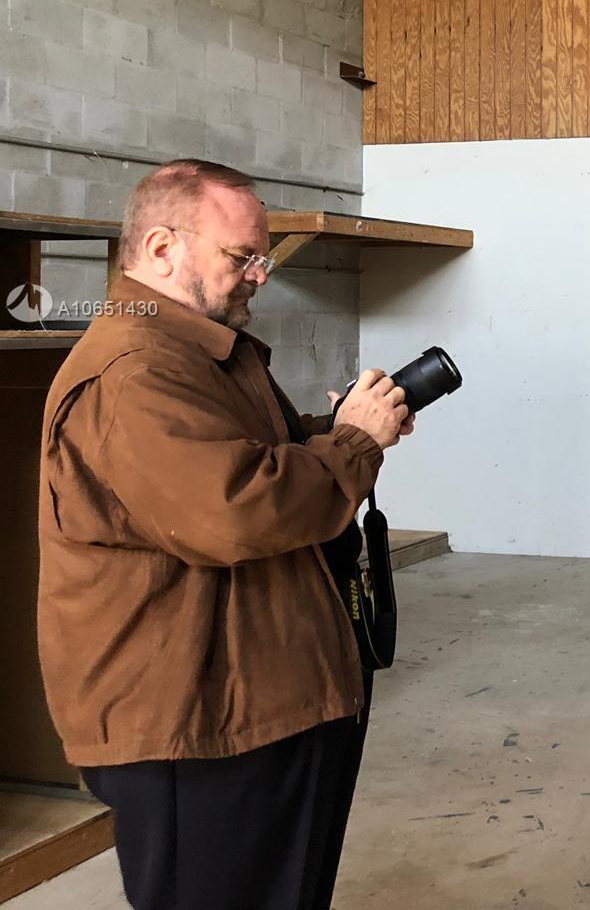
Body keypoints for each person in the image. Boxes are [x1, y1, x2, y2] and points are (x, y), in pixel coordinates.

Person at [36, 158, 412, 910]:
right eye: (242, 257)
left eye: (262, 259)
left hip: (255, 702)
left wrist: (337, 428)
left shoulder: (193, 349)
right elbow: (234, 508)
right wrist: (351, 447)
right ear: (162, 248)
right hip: (197, 724)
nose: (258, 276)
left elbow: (240, 455)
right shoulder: (136, 372)